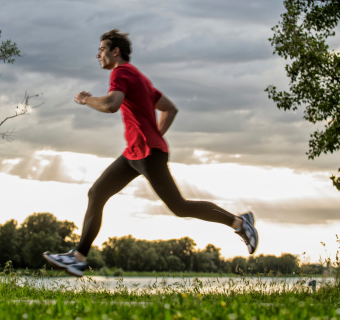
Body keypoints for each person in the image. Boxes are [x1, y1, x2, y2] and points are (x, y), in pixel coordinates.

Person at [43, 29, 258, 277]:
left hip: (148, 153)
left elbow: (112, 104)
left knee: (179, 206)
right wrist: (154, 134)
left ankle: (240, 223)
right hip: (135, 153)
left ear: (116, 52)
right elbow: (170, 109)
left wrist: (86, 100)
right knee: (97, 192)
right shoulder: (140, 78)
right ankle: (78, 258)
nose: (97, 54)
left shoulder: (121, 72)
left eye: (102, 49)